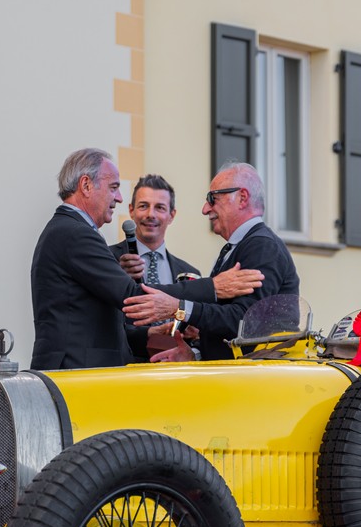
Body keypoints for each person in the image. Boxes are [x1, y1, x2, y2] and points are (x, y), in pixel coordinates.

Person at [30, 148, 263, 371]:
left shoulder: (70, 230)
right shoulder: (75, 233)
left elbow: (95, 318)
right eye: (113, 188)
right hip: (75, 373)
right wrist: (214, 287)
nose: (118, 198)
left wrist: (148, 335)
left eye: (160, 207)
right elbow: (133, 297)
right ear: (86, 185)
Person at [124, 162, 300, 362]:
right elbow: (231, 328)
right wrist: (195, 354)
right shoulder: (242, 245)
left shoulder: (261, 245)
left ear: (242, 198)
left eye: (212, 198)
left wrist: (180, 308)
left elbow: (244, 321)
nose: (205, 209)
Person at [110, 174, 200, 360]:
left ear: (171, 215)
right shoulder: (108, 260)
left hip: (173, 374)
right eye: (144, 206)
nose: (151, 214)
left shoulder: (191, 273)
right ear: (131, 210)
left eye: (160, 207)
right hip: (121, 370)